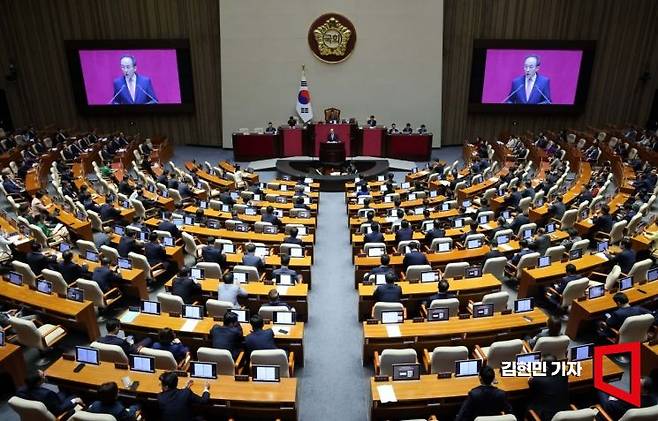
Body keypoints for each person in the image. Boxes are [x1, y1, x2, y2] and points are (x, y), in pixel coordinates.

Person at [16, 370, 83, 417]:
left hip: (47, 404)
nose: (45, 375)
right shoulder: (46, 394)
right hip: (55, 410)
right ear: (38, 382)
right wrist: (74, 400)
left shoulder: (20, 391)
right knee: (75, 395)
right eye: (43, 375)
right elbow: (59, 410)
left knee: (64, 389)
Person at [527, 354, 570, 421]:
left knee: (525, 403)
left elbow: (531, 383)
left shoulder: (538, 380)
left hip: (547, 416)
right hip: (565, 411)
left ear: (546, 367)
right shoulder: (564, 374)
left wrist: (532, 378)